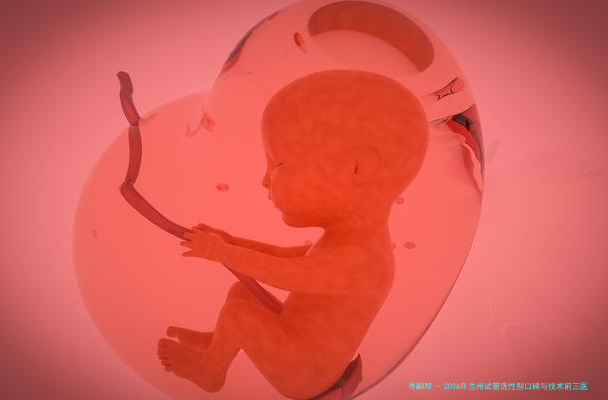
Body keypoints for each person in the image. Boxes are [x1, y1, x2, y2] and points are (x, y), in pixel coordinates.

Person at [158, 69, 429, 399]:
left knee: (239, 314)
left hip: (306, 371)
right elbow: (282, 256)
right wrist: (230, 241)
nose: (265, 180)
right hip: (293, 334)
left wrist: (222, 252)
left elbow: (286, 274)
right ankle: (219, 343)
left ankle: (211, 370)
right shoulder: (344, 241)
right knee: (241, 293)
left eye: (278, 165)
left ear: (359, 168)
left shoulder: (366, 260)